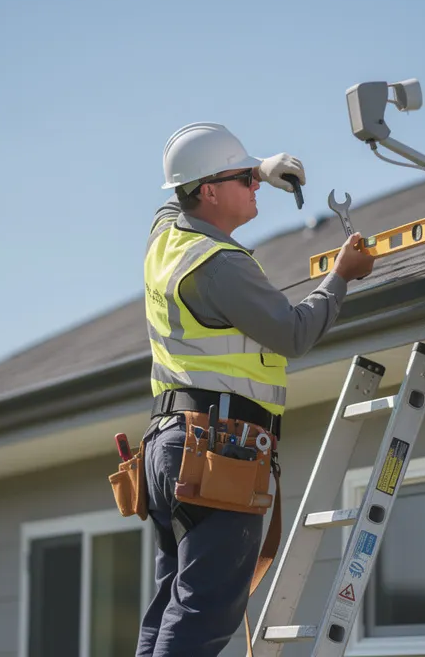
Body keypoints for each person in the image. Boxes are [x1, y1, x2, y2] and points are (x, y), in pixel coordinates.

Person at [135, 122, 375, 657]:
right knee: (205, 613)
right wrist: (341, 277)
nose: (256, 184)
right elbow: (294, 332)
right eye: (245, 177)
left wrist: (259, 165)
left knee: (173, 607)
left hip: (170, 447)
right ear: (209, 191)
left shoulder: (167, 240)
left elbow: (172, 202)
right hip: (218, 447)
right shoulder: (219, 263)